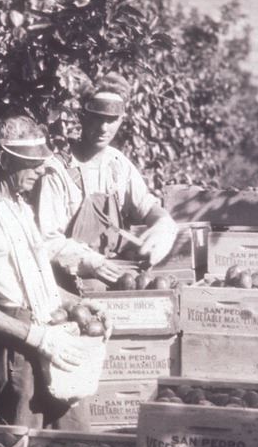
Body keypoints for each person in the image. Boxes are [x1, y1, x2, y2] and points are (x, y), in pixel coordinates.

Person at [0, 114, 110, 429]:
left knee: (72, 438)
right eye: (31, 163)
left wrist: (74, 303)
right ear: (3, 160)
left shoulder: (22, 208)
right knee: (23, 444)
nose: (40, 170)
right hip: (19, 343)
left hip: (50, 331)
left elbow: (39, 283)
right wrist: (35, 337)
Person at [35, 73, 178, 289]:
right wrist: (88, 261)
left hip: (114, 272)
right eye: (97, 118)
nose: (103, 128)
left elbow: (147, 207)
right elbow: (47, 241)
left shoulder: (118, 165)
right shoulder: (58, 170)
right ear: (82, 116)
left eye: (111, 120)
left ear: (122, 120)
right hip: (68, 280)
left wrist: (164, 224)